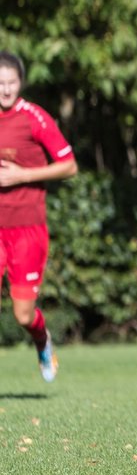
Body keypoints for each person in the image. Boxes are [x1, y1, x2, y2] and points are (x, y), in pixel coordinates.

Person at [0, 52, 78, 383]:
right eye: (0, 83)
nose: (5, 89)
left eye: (11, 82)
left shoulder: (34, 117)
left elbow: (69, 165)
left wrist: (21, 176)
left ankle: (42, 341)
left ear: (21, 82)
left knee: (23, 313)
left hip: (27, 230)